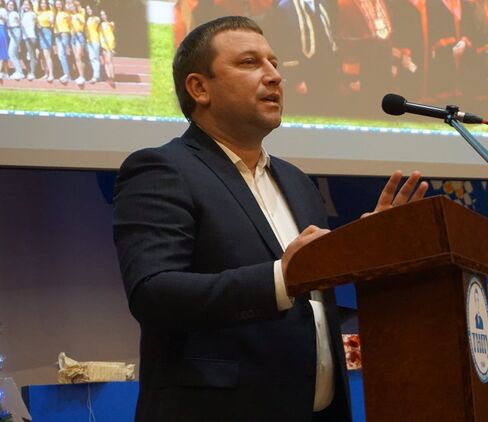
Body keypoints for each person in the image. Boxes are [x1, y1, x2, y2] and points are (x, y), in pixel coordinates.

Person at [112, 16, 427, 421]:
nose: (274, 76)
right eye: (249, 62)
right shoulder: (162, 170)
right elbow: (153, 293)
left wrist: (355, 251)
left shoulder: (297, 182)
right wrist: (280, 279)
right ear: (199, 88)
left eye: (274, 63)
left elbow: (314, 295)